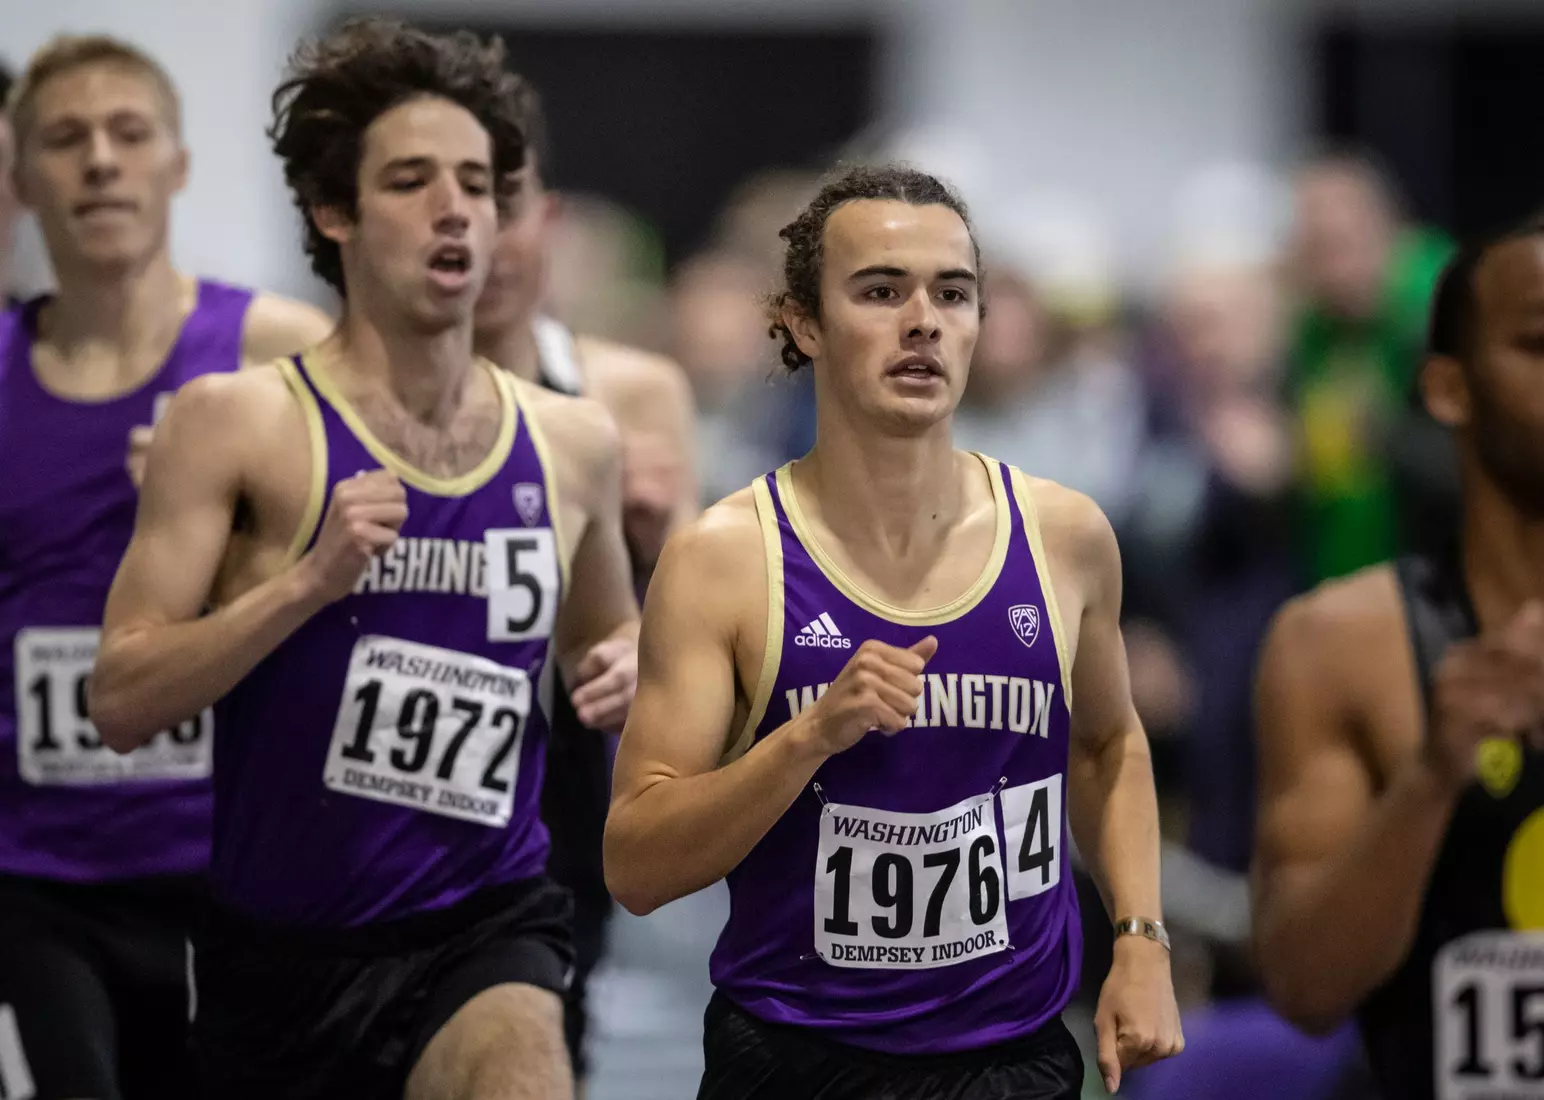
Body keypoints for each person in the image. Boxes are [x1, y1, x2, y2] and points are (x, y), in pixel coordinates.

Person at [89, 19, 640, 1100]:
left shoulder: (573, 443)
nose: (454, 208)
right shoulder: (235, 423)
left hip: (487, 922)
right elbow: (119, 698)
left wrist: (626, 660)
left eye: (476, 184)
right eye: (410, 180)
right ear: (333, 212)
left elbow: (602, 637)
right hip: (278, 957)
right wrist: (306, 583)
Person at [605, 163, 1183, 1100]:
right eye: (880, 292)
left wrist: (1141, 939)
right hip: (795, 1061)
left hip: (1014, 1060)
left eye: (952, 294)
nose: (923, 321)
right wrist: (807, 737)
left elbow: (1109, 745)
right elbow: (635, 864)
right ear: (803, 323)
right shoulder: (727, 558)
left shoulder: (1066, 536)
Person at [0, 34, 331, 1100]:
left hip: (229, 855)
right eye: (66, 138)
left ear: (177, 163)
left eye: (128, 133)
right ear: (20, 178)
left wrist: (232, 513)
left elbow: (379, 557)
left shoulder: (275, 351)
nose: (101, 160)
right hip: (38, 870)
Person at [1252, 221, 1544, 1100]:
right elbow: (1305, 988)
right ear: (1449, 388)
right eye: (1539, 345)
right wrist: (1431, 775)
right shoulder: (1339, 643)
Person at [471, 79, 697, 1090]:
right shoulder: (326, 395)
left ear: (545, 218)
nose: (477, 236)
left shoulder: (628, 392)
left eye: (501, 201)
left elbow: (699, 619)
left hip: (550, 811)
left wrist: (648, 549)